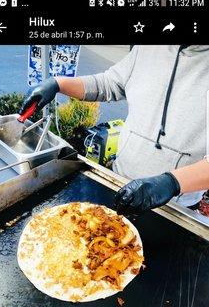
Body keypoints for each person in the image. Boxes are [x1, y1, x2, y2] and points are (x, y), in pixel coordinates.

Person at [20, 45, 209, 216]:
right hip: (118, 181)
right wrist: (58, 84)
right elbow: (110, 83)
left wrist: (171, 183)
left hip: (174, 206)